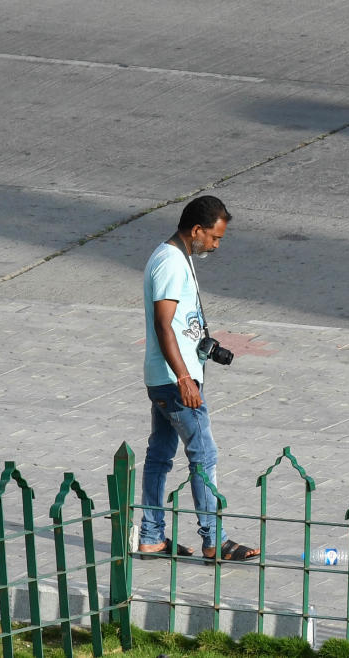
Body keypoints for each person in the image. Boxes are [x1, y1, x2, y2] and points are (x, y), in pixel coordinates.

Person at [138, 195, 259, 563]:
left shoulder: (177, 257)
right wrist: (185, 377)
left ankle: (151, 536)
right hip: (175, 382)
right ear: (196, 230)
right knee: (204, 454)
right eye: (215, 237)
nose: (216, 244)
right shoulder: (171, 263)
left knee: (160, 454)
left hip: (168, 377)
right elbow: (163, 325)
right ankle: (214, 541)